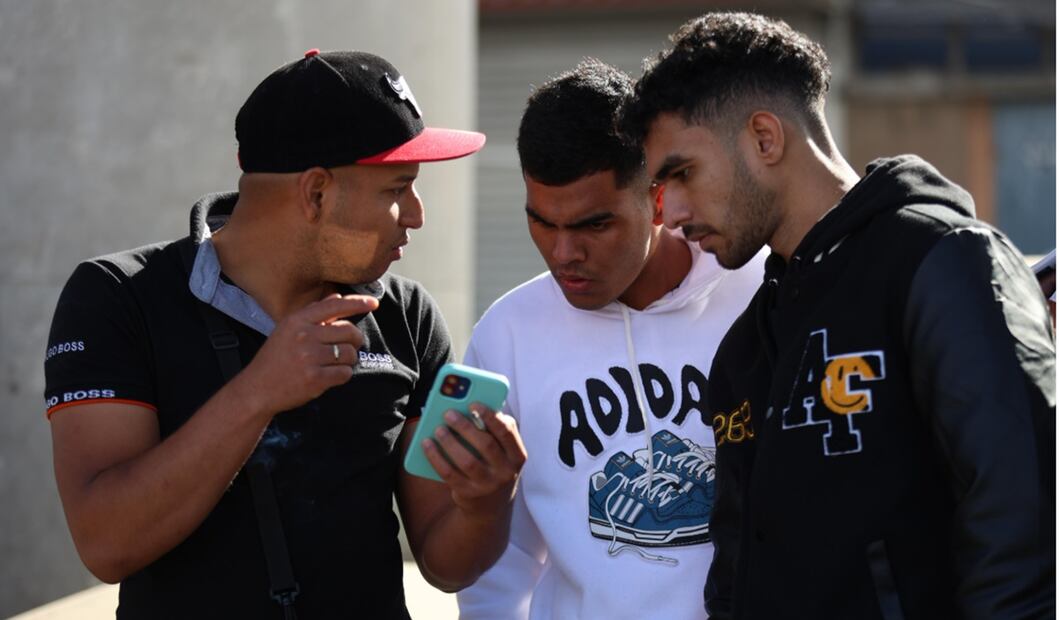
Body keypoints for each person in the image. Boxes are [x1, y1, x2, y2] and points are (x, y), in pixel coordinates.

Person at [44, 49, 526, 619]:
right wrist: (259, 391)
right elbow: (106, 544)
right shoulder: (118, 297)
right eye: (397, 189)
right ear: (316, 193)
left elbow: (446, 567)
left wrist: (486, 503)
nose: (416, 214)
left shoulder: (405, 314)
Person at [622, 12, 1056, 619]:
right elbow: (734, 576)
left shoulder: (941, 261)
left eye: (682, 174)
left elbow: (1025, 523)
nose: (671, 215)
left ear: (765, 138)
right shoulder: (747, 347)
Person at [456, 59, 763, 620]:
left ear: (659, 199)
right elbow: (502, 560)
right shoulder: (507, 333)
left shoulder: (757, 290)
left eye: (594, 224)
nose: (562, 253)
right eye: (543, 222)